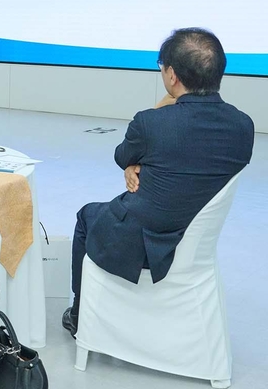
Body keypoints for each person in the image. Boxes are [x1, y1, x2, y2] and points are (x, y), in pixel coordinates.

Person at [63, 28, 254, 337]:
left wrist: (141, 149)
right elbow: (193, 161)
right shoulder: (243, 126)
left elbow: (122, 154)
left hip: (147, 241)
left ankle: (80, 313)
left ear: (172, 76)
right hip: (196, 239)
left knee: (87, 216)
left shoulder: (152, 123)